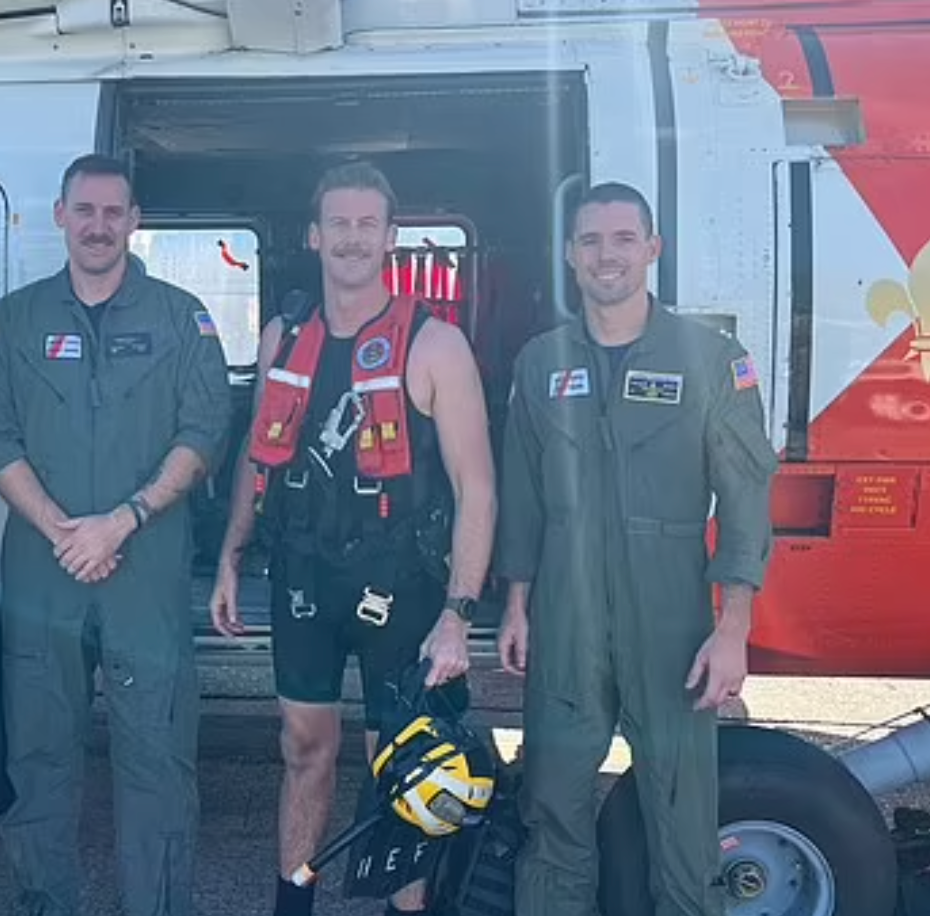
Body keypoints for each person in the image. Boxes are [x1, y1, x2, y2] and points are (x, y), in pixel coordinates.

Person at [210, 160, 498, 916]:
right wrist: (231, 556)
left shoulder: (435, 346)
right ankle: (292, 906)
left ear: (391, 237)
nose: (351, 238)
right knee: (304, 751)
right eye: (338, 222)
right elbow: (256, 454)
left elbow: (479, 488)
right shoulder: (285, 333)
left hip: (400, 582)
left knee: (401, 767)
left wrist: (458, 615)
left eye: (367, 224)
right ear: (313, 234)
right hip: (303, 576)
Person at [493, 181, 779, 916]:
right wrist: (517, 604)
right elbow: (521, 495)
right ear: (569, 255)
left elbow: (746, 494)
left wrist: (733, 628)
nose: (606, 255)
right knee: (551, 805)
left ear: (653, 249)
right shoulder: (539, 362)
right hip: (564, 612)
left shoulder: (712, 359)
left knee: (683, 819)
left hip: (672, 620)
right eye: (590, 240)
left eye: (623, 239)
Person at [0, 153, 233, 916]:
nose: (99, 226)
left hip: (142, 568)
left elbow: (205, 428)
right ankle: (47, 902)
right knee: (41, 757)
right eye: (85, 210)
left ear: (135, 221)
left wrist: (122, 520)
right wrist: (61, 529)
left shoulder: (183, 318)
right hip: (44, 569)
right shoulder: (16, 320)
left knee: (157, 759)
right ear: (60, 216)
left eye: (114, 212)